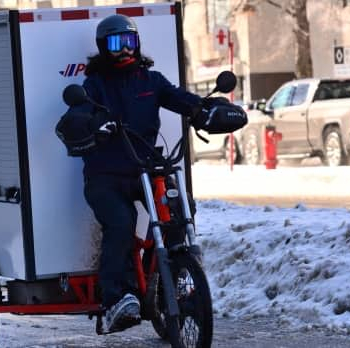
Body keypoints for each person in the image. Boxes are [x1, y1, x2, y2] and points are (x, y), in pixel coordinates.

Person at [59, 14, 229, 333]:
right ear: (102, 48)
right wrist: (92, 124)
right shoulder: (94, 86)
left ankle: (171, 276)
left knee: (179, 209)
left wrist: (206, 111)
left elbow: (181, 99)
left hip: (145, 168)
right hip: (104, 177)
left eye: (129, 42)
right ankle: (115, 299)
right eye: (115, 44)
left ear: (137, 45)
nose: (124, 50)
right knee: (121, 223)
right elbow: (77, 115)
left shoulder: (151, 81)